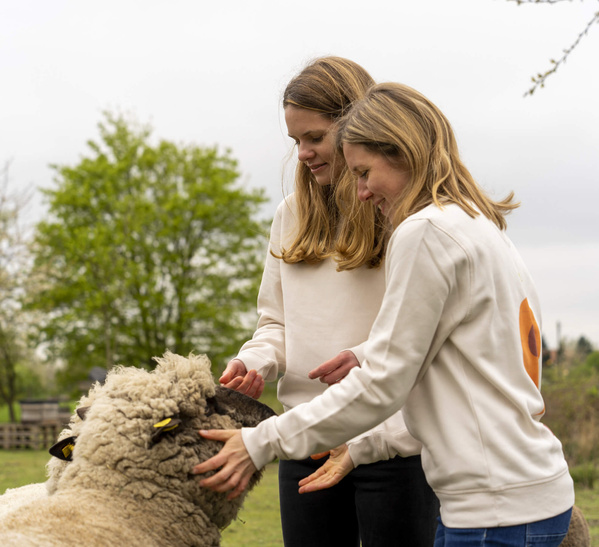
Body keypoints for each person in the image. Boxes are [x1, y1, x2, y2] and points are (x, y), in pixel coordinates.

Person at [193, 81, 575, 547]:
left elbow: (383, 385)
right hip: (525, 491)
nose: (360, 192)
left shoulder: (424, 232)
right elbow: (462, 359)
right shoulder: (477, 223)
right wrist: (365, 370)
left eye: (364, 172)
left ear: (401, 151)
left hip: (492, 509)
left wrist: (259, 442)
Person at [217, 58, 439, 547]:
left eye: (314, 137)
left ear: (358, 124)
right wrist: (255, 361)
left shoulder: (401, 215)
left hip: (391, 445)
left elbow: (416, 336)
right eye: (295, 141)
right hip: (305, 439)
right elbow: (276, 322)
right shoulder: (290, 215)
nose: (303, 153)